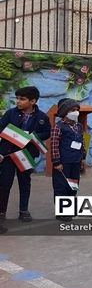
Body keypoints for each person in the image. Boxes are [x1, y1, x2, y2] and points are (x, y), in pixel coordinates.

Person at [0, 86, 50, 223]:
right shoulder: (10, 113)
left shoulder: (42, 117)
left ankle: (24, 211)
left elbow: (47, 132)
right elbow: (1, 128)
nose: (18, 101)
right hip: (8, 154)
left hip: (26, 155)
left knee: (25, 183)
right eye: (17, 98)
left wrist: (32, 136)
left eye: (22, 99)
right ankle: (1, 212)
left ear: (33, 101)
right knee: (4, 183)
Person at [50, 98, 85, 222]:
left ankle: (70, 208)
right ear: (65, 112)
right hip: (63, 162)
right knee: (61, 186)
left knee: (73, 185)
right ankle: (61, 212)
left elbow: (82, 142)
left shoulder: (79, 126)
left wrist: (82, 158)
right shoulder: (58, 127)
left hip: (75, 161)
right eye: (72, 110)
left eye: (77, 110)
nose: (76, 112)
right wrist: (57, 162)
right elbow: (54, 144)